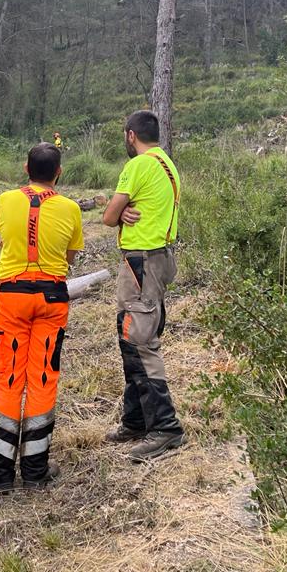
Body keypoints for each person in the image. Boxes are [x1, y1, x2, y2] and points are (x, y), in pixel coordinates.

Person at [0, 143, 84, 492]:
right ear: (59, 172)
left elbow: (5, 239)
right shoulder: (71, 208)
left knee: (9, 377)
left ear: (26, 167)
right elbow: (70, 257)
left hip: (12, 297)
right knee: (42, 376)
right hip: (52, 297)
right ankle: (34, 469)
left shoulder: (5, 200)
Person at [101, 110, 185, 461]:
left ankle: (165, 428)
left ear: (131, 135)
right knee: (130, 337)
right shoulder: (167, 165)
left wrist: (118, 213)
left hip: (142, 262)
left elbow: (107, 216)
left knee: (140, 341)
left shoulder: (137, 166)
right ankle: (135, 419)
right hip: (158, 258)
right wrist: (125, 213)